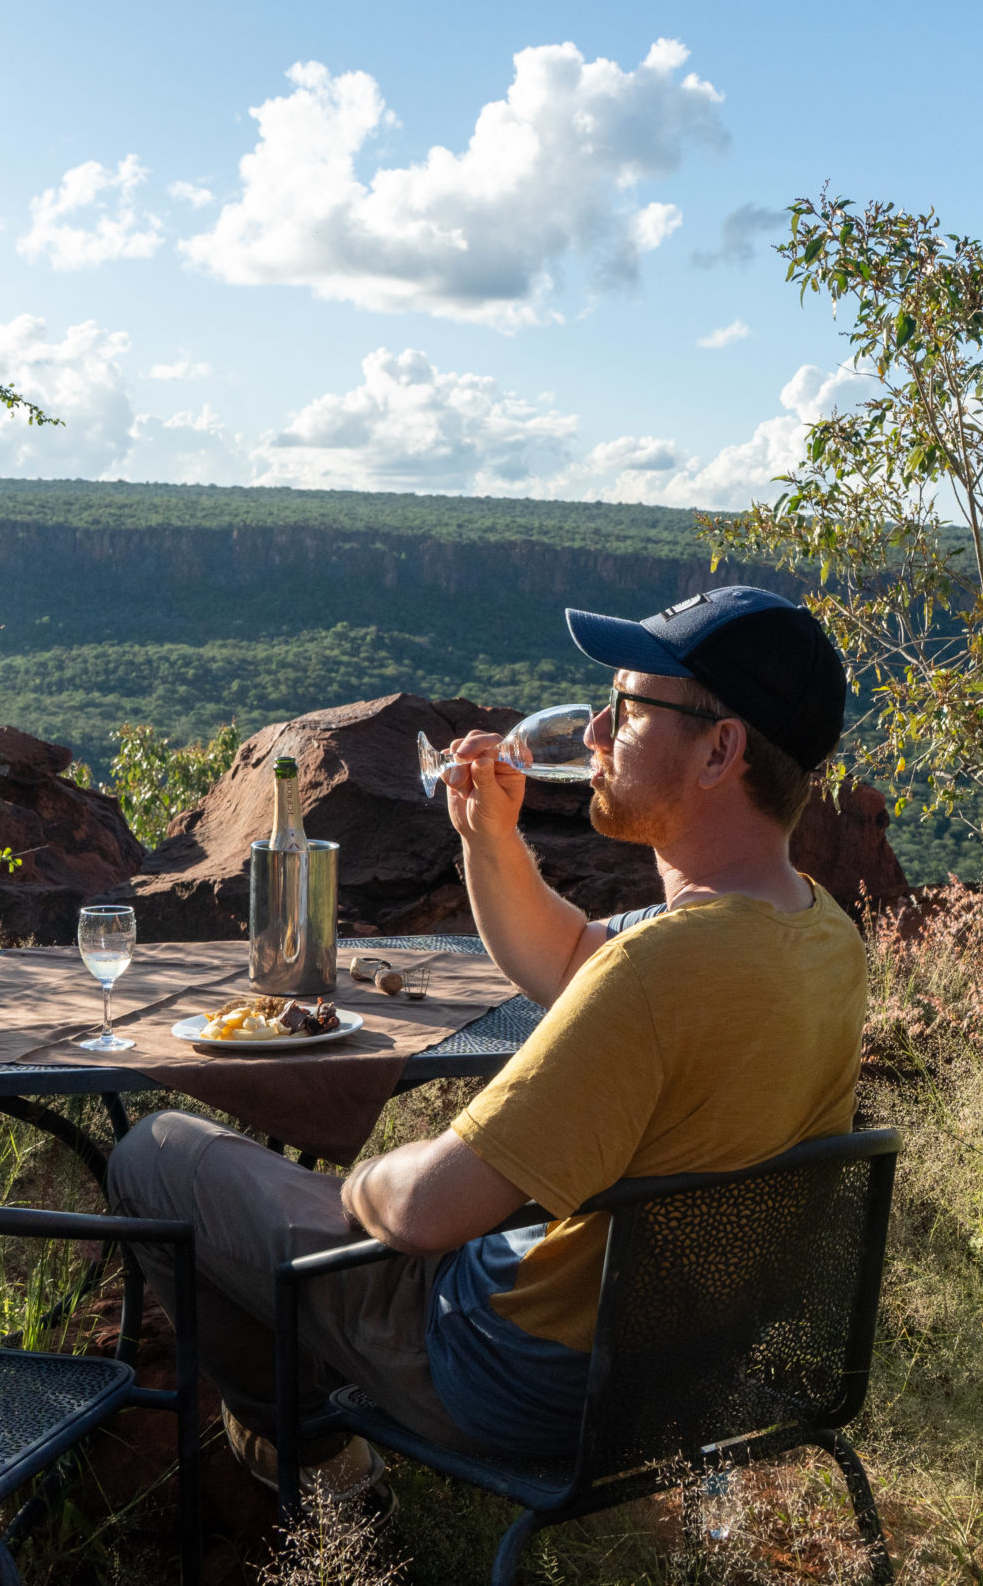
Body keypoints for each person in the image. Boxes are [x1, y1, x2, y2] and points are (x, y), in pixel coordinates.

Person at [106, 585, 868, 1492]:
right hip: (684, 1365)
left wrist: (353, 1184)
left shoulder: (660, 973)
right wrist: (487, 838)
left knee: (155, 1152)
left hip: (516, 1369)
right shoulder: (821, 937)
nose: (590, 731)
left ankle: (313, 1463)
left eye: (624, 709)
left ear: (721, 749)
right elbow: (576, 955)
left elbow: (428, 1212)